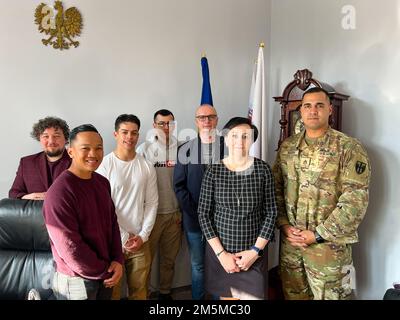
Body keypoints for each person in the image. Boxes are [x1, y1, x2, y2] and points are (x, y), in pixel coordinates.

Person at [273, 87, 371, 300]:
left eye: (319, 105)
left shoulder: (349, 148)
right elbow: (276, 189)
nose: (313, 111)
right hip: (292, 246)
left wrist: (317, 234)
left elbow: (355, 201)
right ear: (301, 111)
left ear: (330, 110)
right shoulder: (288, 147)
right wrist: (284, 225)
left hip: (329, 250)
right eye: (307, 106)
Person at [198, 117, 277, 300]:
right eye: (234, 136)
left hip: (253, 255)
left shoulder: (263, 170)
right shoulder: (214, 171)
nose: (239, 141)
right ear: (226, 139)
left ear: (252, 140)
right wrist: (222, 254)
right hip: (221, 255)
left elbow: (271, 212)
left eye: (245, 136)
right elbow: (203, 214)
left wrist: (255, 252)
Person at [42, 124, 124, 300]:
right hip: (76, 281)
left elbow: (112, 223)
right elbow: (70, 247)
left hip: (105, 273)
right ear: (71, 152)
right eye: (85, 148)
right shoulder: (60, 192)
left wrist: (118, 259)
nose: (93, 154)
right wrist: (104, 270)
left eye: (98, 148)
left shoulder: (102, 182)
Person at [97, 114, 158, 300]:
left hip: (140, 241)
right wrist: (123, 236)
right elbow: (101, 208)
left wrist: (142, 236)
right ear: (116, 134)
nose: (129, 137)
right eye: (124, 132)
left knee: (140, 292)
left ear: (138, 136)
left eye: (134, 133)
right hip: (111, 241)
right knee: (112, 293)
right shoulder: (104, 166)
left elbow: (152, 203)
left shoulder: (146, 166)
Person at [173, 104, 225, 300]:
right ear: (196, 121)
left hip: (223, 221)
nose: (206, 121)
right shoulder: (185, 149)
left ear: (217, 120)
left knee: (221, 264)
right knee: (198, 265)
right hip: (194, 220)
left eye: (211, 117)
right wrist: (198, 213)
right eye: (202, 117)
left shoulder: (228, 146)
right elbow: (179, 186)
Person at [137, 109, 182, 300]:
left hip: (174, 214)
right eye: (161, 123)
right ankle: (144, 295)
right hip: (151, 216)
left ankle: (165, 293)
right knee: (146, 262)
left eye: (170, 123)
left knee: (169, 260)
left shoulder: (182, 148)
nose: (166, 127)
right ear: (154, 125)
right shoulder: (143, 149)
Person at [9, 116, 71, 200]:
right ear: (39, 138)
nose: (51, 141)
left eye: (56, 136)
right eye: (45, 136)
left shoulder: (77, 161)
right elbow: (13, 193)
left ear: (66, 138)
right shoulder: (26, 163)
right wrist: (30, 196)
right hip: (35, 212)